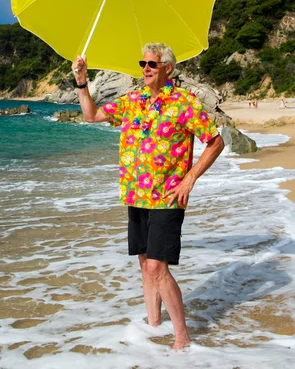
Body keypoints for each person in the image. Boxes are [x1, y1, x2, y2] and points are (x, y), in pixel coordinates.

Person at [72, 42, 225, 350]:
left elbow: (215, 142)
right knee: (145, 264)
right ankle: (154, 325)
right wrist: (81, 82)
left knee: (157, 267)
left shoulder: (184, 103)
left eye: (151, 64)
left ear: (167, 68)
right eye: (142, 63)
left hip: (168, 197)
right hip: (135, 194)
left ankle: (182, 337)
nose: (145, 69)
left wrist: (189, 179)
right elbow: (91, 116)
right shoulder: (134, 100)